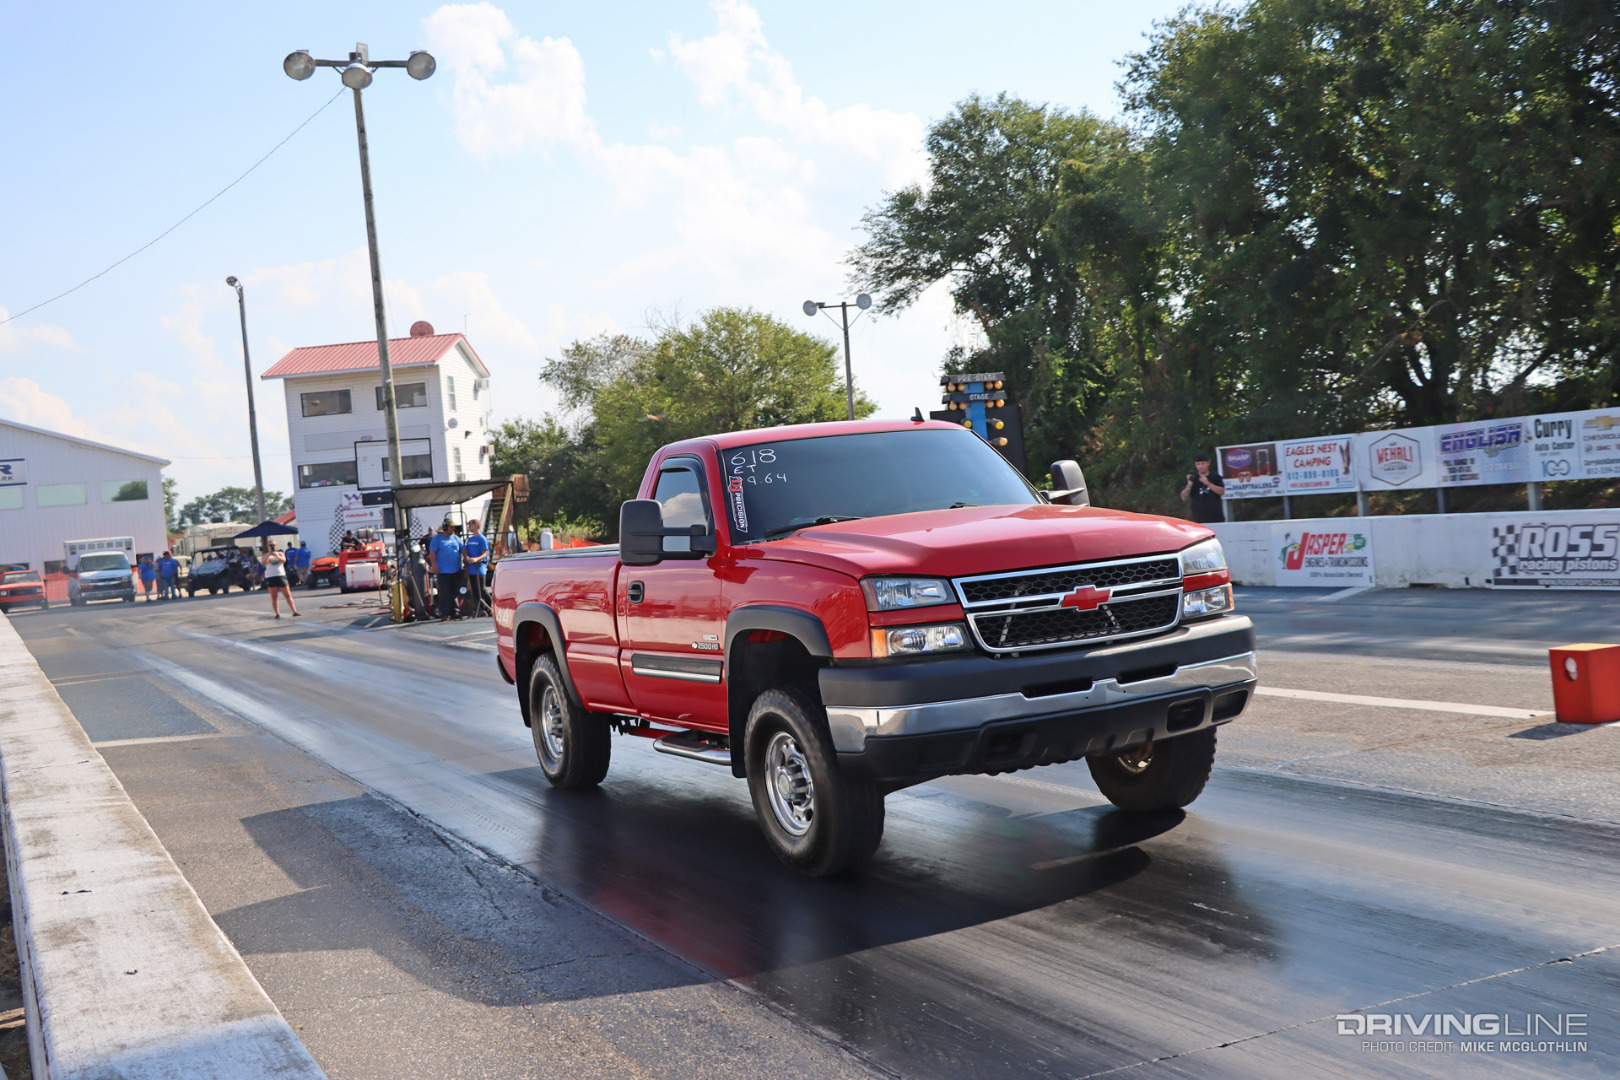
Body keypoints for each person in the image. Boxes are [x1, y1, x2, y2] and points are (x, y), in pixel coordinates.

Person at [428, 520, 467, 620]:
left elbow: (463, 549)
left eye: (454, 527)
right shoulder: (437, 539)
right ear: (445, 528)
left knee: (455, 592)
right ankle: (444, 613)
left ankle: (455, 611)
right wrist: (434, 565)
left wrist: (467, 558)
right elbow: (432, 553)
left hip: (456, 570)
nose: (453, 529)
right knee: (444, 592)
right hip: (443, 571)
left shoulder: (456, 538)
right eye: (451, 527)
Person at [1180, 452, 1227, 523]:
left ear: (1208, 463)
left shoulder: (1215, 477)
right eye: (1198, 464)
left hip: (1216, 517)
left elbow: (1222, 492)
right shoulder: (1193, 478)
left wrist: (1208, 483)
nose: (1201, 466)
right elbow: (1183, 496)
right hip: (1198, 519)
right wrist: (1189, 485)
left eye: (1203, 463)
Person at [260, 541, 301, 618]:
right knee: (274, 596)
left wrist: (277, 556)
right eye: (270, 545)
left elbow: (284, 560)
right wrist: (269, 554)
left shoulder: (280, 553)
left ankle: (294, 611)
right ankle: (277, 613)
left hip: (280, 575)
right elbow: (263, 562)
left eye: (273, 545)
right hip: (270, 576)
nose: (272, 546)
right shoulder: (265, 555)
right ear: (268, 546)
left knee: (287, 595)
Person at [463, 519, 490, 616]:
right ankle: (482, 609)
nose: (468, 528)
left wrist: (476, 559)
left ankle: (492, 606)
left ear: (475, 525)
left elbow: (484, 553)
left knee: (482, 588)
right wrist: (467, 557)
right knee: (474, 590)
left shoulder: (482, 538)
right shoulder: (469, 539)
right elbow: (465, 550)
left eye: (470, 525)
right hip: (471, 568)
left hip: (479, 567)